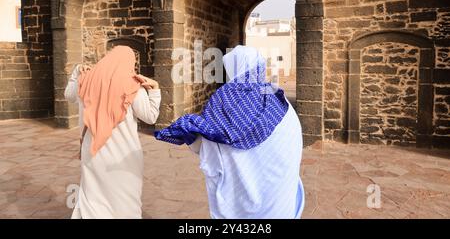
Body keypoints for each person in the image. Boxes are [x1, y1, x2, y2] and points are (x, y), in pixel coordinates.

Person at [155, 45, 304, 219]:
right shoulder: (279, 99)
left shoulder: (225, 104)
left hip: (248, 207)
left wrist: (190, 131)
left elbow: (206, 147)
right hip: (281, 200)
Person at [64, 45, 161, 219]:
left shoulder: (85, 80)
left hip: (91, 151)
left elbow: (68, 95)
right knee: (125, 198)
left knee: (92, 196)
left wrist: (76, 71)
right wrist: (155, 89)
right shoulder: (133, 86)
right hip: (123, 156)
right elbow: (151, 117)